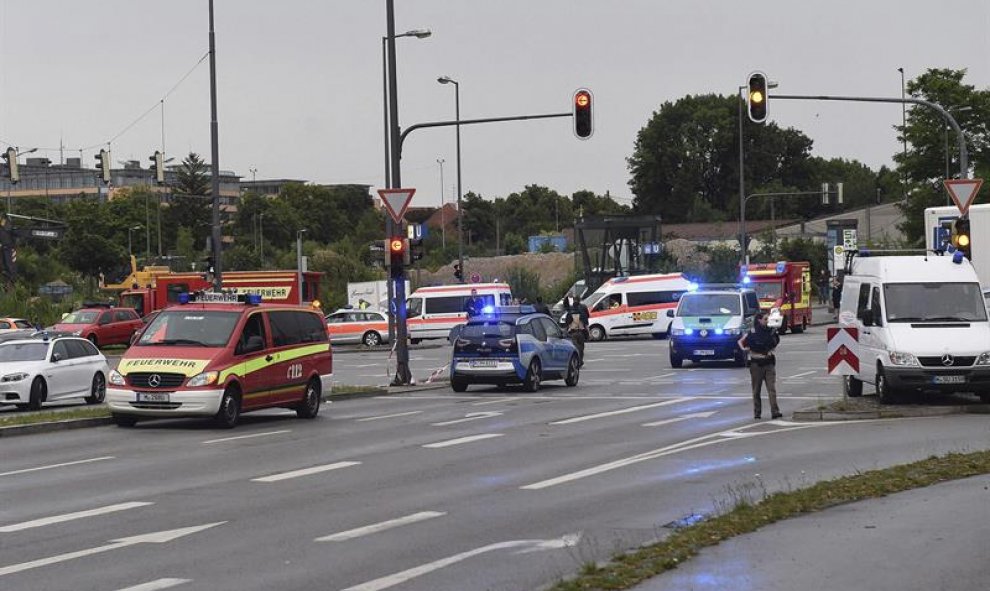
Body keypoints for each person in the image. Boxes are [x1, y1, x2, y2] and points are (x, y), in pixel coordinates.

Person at [737, 311, 781, 420]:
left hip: (769, 362)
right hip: (756, 363)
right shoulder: (753, 332)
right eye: (765, 319)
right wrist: (745, 349)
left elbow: (775, 342)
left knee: (772, 389)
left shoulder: (771, 331)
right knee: (756, 390)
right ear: (759, 320)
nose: (767, 321)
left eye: (768, 319)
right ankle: (757, 412)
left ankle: (775, 411)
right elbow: (741, 342)